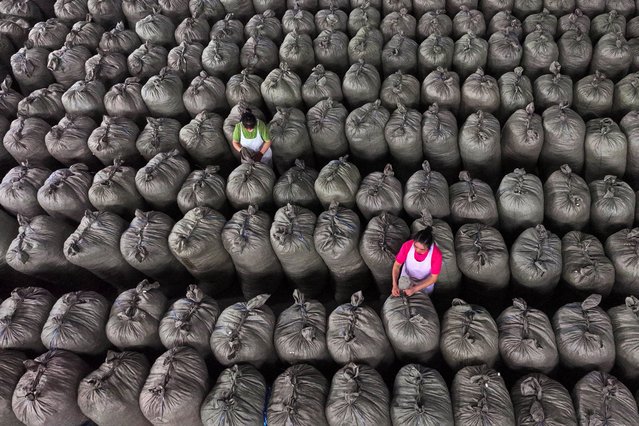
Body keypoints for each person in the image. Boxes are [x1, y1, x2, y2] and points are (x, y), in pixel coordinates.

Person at [391, 227, 443, 297]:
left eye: (422, 249)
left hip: (425, 282)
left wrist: (415, 289)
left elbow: (433, 278)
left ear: (429, 247)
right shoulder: (407, 245)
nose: (417, 250)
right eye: (415, 246)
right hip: (407, 278)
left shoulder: (436, 254)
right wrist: (394, 285)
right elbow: (397, 265)